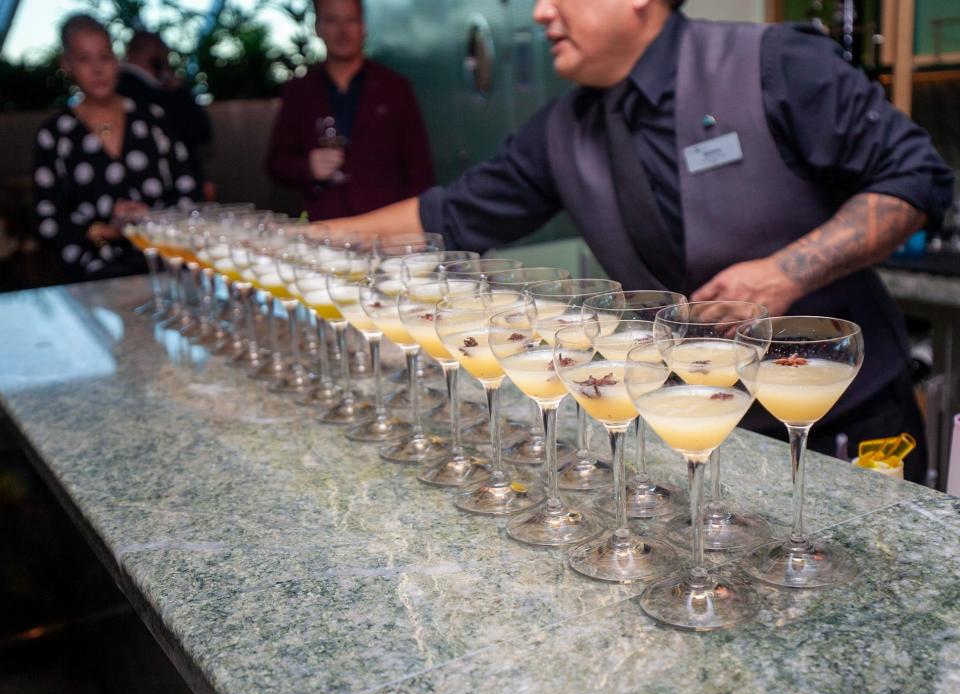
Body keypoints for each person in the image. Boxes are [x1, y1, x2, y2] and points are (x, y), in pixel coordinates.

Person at [315, 0, 955, 483]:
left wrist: (785, 272)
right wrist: (299, 240)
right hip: (702, 430)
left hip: (847, 421)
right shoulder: (560, 130)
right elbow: (449, 215)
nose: (540, 13)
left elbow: (917, 178)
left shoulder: (776, 63)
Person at [33, 14, 202, 282]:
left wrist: (151, 220)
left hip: (165, 265)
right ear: (66, 65)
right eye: (84, 59)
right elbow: (46, 218)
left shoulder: (152, 119)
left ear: (118, 59)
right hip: (92, 276)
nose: (98, 69)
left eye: (105, 57)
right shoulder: (56, 134)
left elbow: (188, 193)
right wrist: (106, 231)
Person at [264, 0, 434, 220]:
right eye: (332, 20)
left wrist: (412, 225)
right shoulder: (300, 91)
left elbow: (420, 170)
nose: (343, 31)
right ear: (318, 27)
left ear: (363, 26)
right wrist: (308, 167)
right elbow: (275, 163)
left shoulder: (395, 88)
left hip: (386, 227)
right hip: (326, 226)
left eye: (351, 20)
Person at [117, 30, 213, 186]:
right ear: (157, 56)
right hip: (168, 185)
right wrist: (179, 92)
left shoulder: (118, 89)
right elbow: (200, 130)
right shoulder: (156, 95)